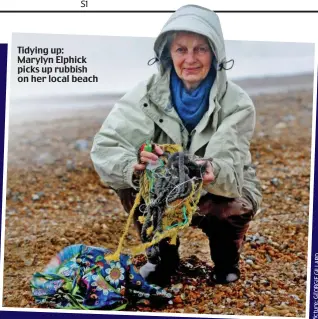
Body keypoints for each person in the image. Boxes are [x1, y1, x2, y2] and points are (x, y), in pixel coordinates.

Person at [91, 4, 262, 286]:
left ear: (216, 53)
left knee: (233, 206)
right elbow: (107, 146)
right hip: (165, 189)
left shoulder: (238, 103)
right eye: (181, 49)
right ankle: (162, 258)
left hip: (218, 189)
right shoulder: (145, 94)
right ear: (168, 54)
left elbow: (230, 167)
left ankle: (226, 261)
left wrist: (212, 169)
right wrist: (133, 165)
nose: (191, 59)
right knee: (131, 182)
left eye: (201, 49)